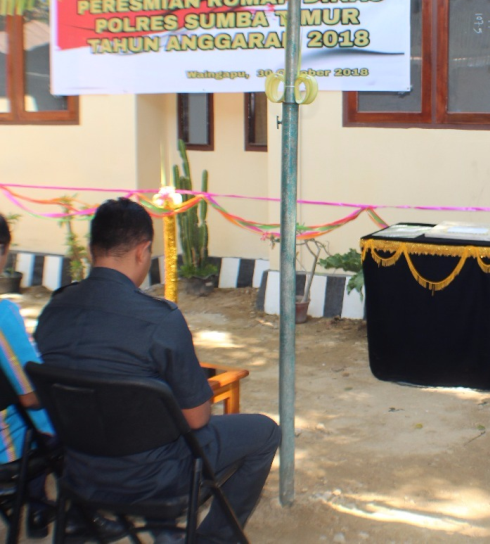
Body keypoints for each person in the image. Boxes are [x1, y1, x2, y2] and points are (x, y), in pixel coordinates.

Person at [34, 198, 280, 543]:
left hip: (81, 473)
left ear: (92, 250)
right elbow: (196, 418)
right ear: (143, 251)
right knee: (266, 433)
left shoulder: (53, 311)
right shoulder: (159, 319)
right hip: (154, 479)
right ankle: (214, 538)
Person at [0, 214, 56, 538]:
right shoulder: (4, 316)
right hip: (7, 453)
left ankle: (38, 504)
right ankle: (76, 511)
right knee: (72, 417)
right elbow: (31, 397)